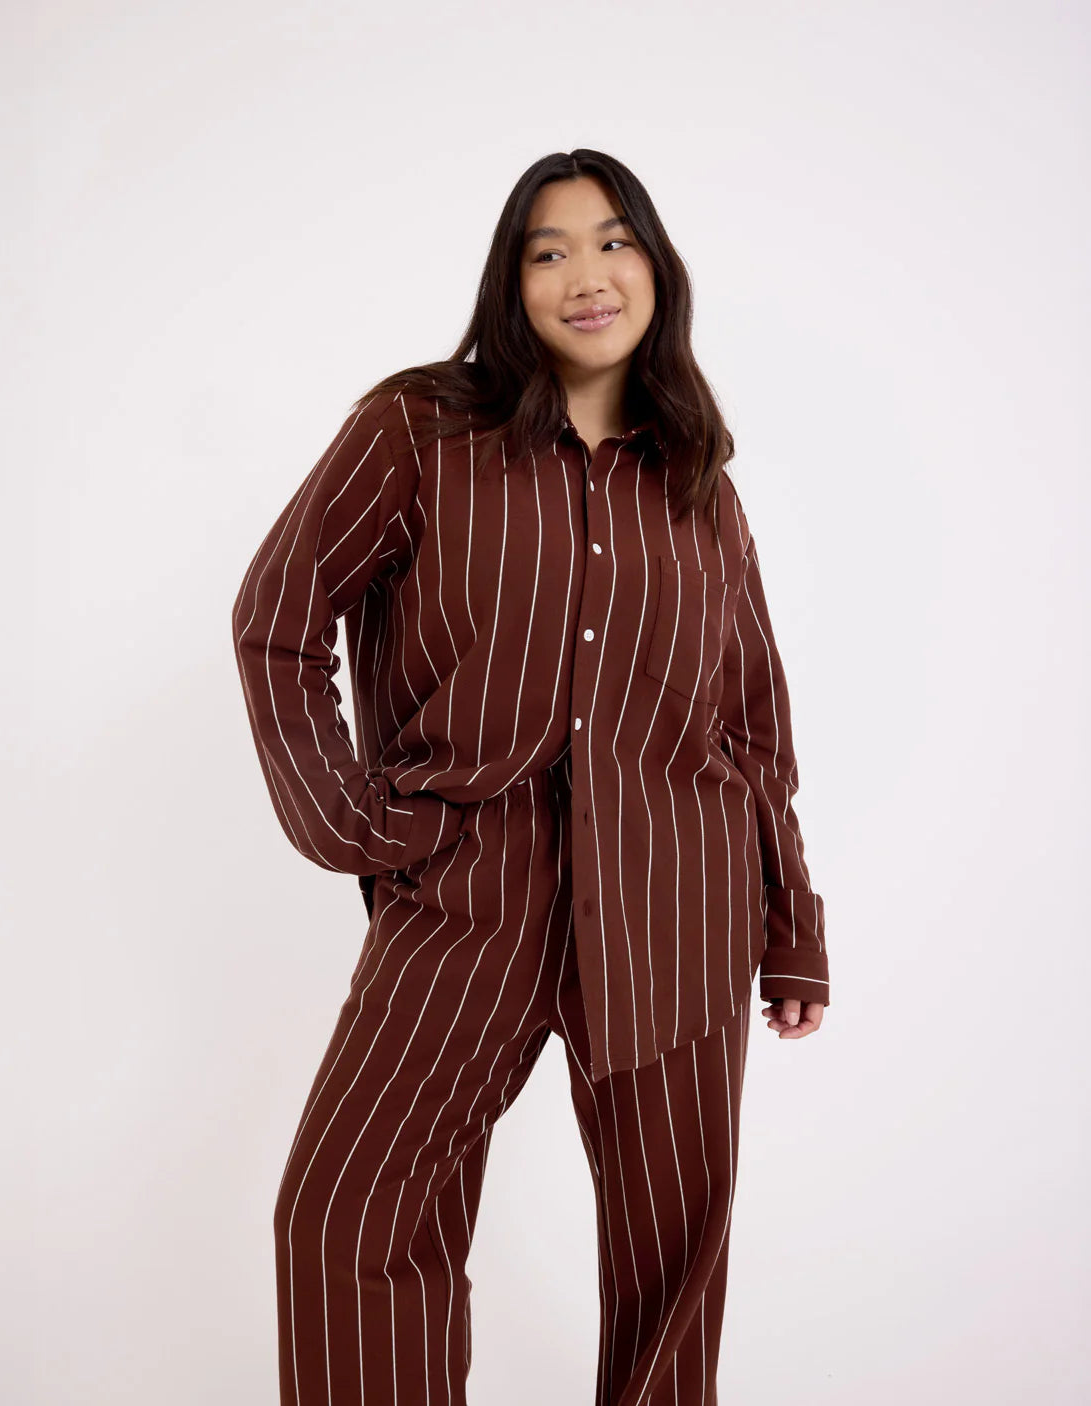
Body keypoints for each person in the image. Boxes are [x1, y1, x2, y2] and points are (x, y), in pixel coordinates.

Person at [231, 148, 829, 1406]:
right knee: (348, 1215)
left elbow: (752, 721)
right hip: (466, 890)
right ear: (511, 283)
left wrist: (793, 929)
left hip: (678, 899)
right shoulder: (418, 430)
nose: (585, 275)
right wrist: (349, 821)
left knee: (674, 1263)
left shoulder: (698, 483)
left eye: (613, 242)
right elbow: (279, 615)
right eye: (548, 252)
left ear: (656, 266)